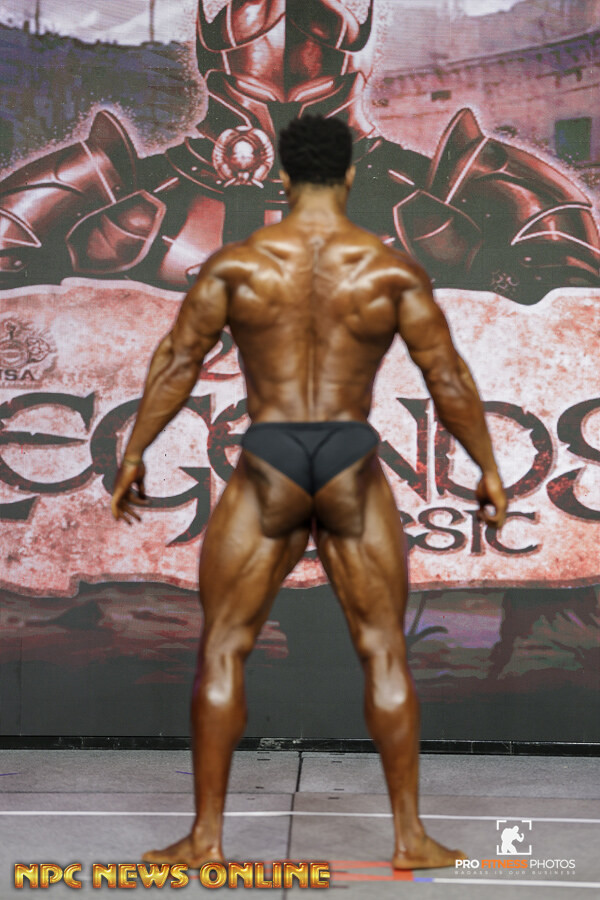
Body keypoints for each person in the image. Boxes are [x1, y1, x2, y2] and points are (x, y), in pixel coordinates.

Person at [111, 115, 507, 870]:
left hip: (272, 461)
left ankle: (206, 839)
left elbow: (177, 362)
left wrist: (134, 454)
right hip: (350, 461)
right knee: (383, 649)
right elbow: (448, 377)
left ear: (281, 177)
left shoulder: (238, 265)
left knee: (224, 647)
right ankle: (410, 838)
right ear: (350, 175)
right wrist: (486, 468)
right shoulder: (388, 271)